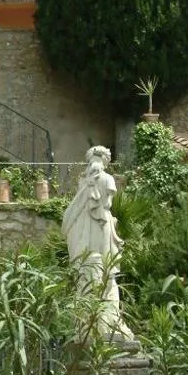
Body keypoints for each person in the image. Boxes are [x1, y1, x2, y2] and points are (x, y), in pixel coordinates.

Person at [61, 145, 132, 340]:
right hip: (102, 225)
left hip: (84, 227)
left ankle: (87, 322)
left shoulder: (83, 181)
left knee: (88, 267)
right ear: (105, 161)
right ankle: (108, 320)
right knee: (107, 270)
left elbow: (77, 208)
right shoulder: (108, 179)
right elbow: (107, 204)